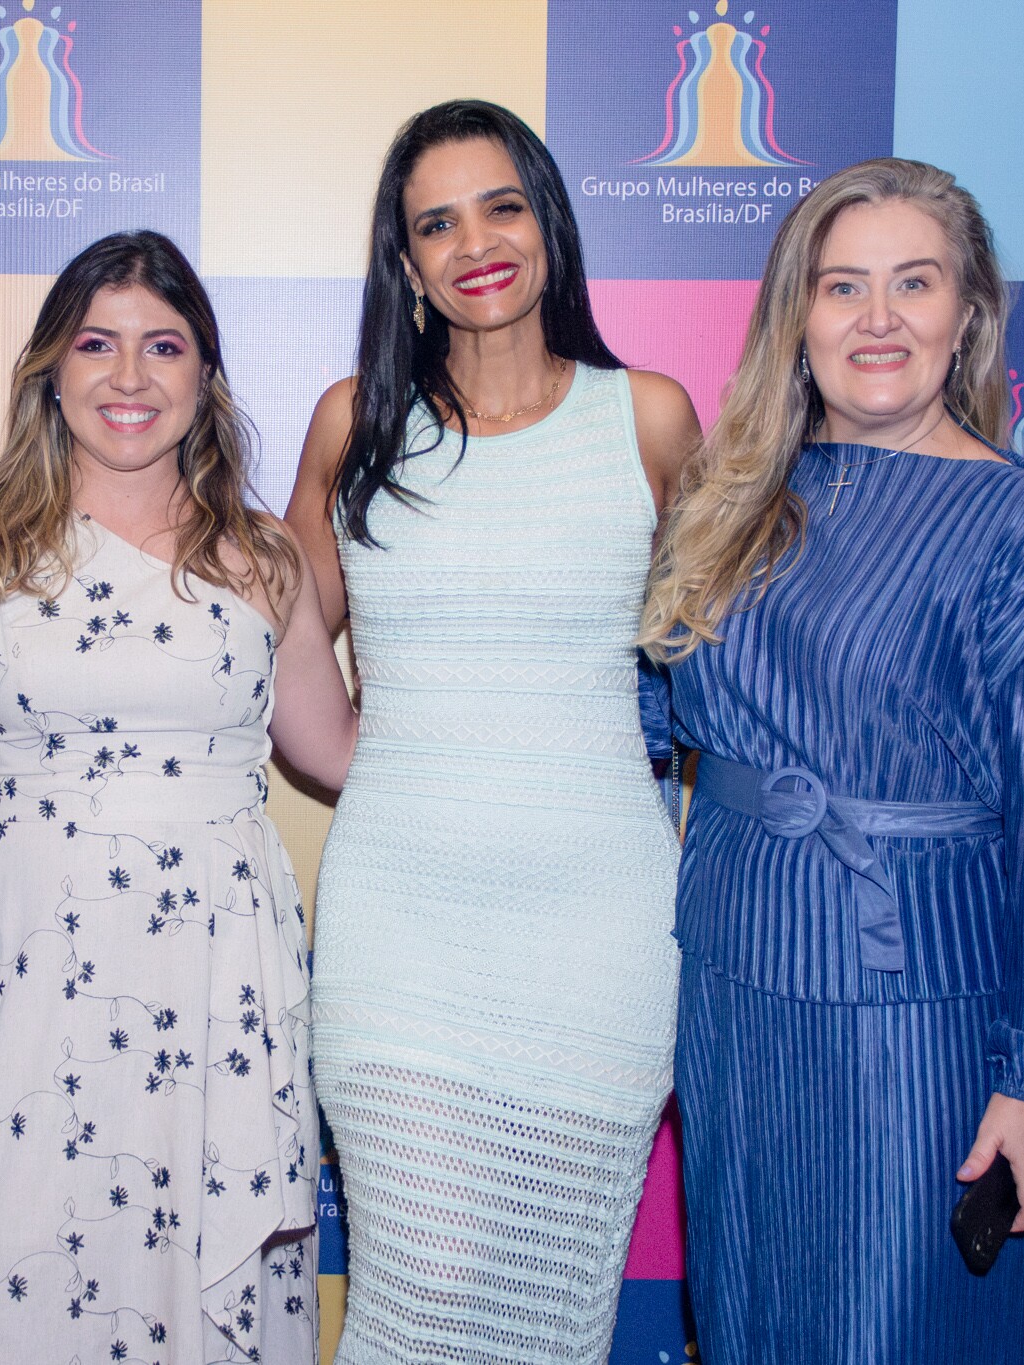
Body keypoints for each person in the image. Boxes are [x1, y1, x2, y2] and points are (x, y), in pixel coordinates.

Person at [640, 157, 1024, 1364]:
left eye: (912, 283)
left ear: (965, 313)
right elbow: (647, 719)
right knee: (750, 1316)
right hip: (733, 979)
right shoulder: (731, 500)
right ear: (793, 317)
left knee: (889, 1325)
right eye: (839, 285)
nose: (874, 318)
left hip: (912, 1003)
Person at [285, 99, 699, 1363]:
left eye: (500, 205)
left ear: (547, 223)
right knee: (422, 1282)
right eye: (435, 222)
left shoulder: (649, 419)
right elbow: (283, 648)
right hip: (401, 929)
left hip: (598, 931)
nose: (475, 242)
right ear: (403, 263)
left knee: (552, 1312)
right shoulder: (354, 422)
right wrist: (400, 772)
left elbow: (721, 685)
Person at [0, 229, 357, 1364]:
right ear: (49, 375)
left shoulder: (260, 556)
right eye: (96, 345)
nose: (128, 379)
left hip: (215, 973)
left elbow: (336, 750)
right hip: (34, 968)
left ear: (203, 376)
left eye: (162, 347)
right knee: (26, 1256)